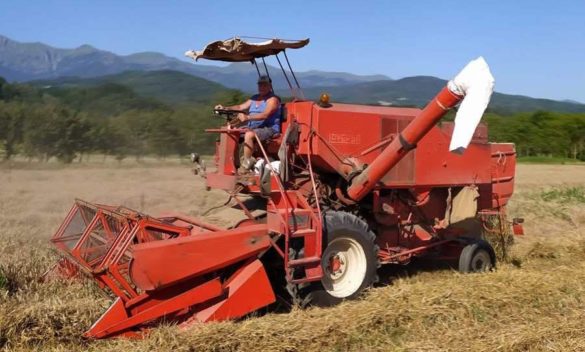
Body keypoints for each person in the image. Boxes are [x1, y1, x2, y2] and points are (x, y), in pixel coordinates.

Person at [215, 75, 281, 173]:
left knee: (249, 134)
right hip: (253, 127)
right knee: (231, 132)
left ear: (270, 86)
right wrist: (225, 108)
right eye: (260, 85)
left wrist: (247, 117)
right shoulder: (254, 98)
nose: (261, 87)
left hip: (269, 128)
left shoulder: (273, 100)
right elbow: (240, 107)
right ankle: (233, 165)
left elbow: (265, 115)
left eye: (264, 85)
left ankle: (246, 165)